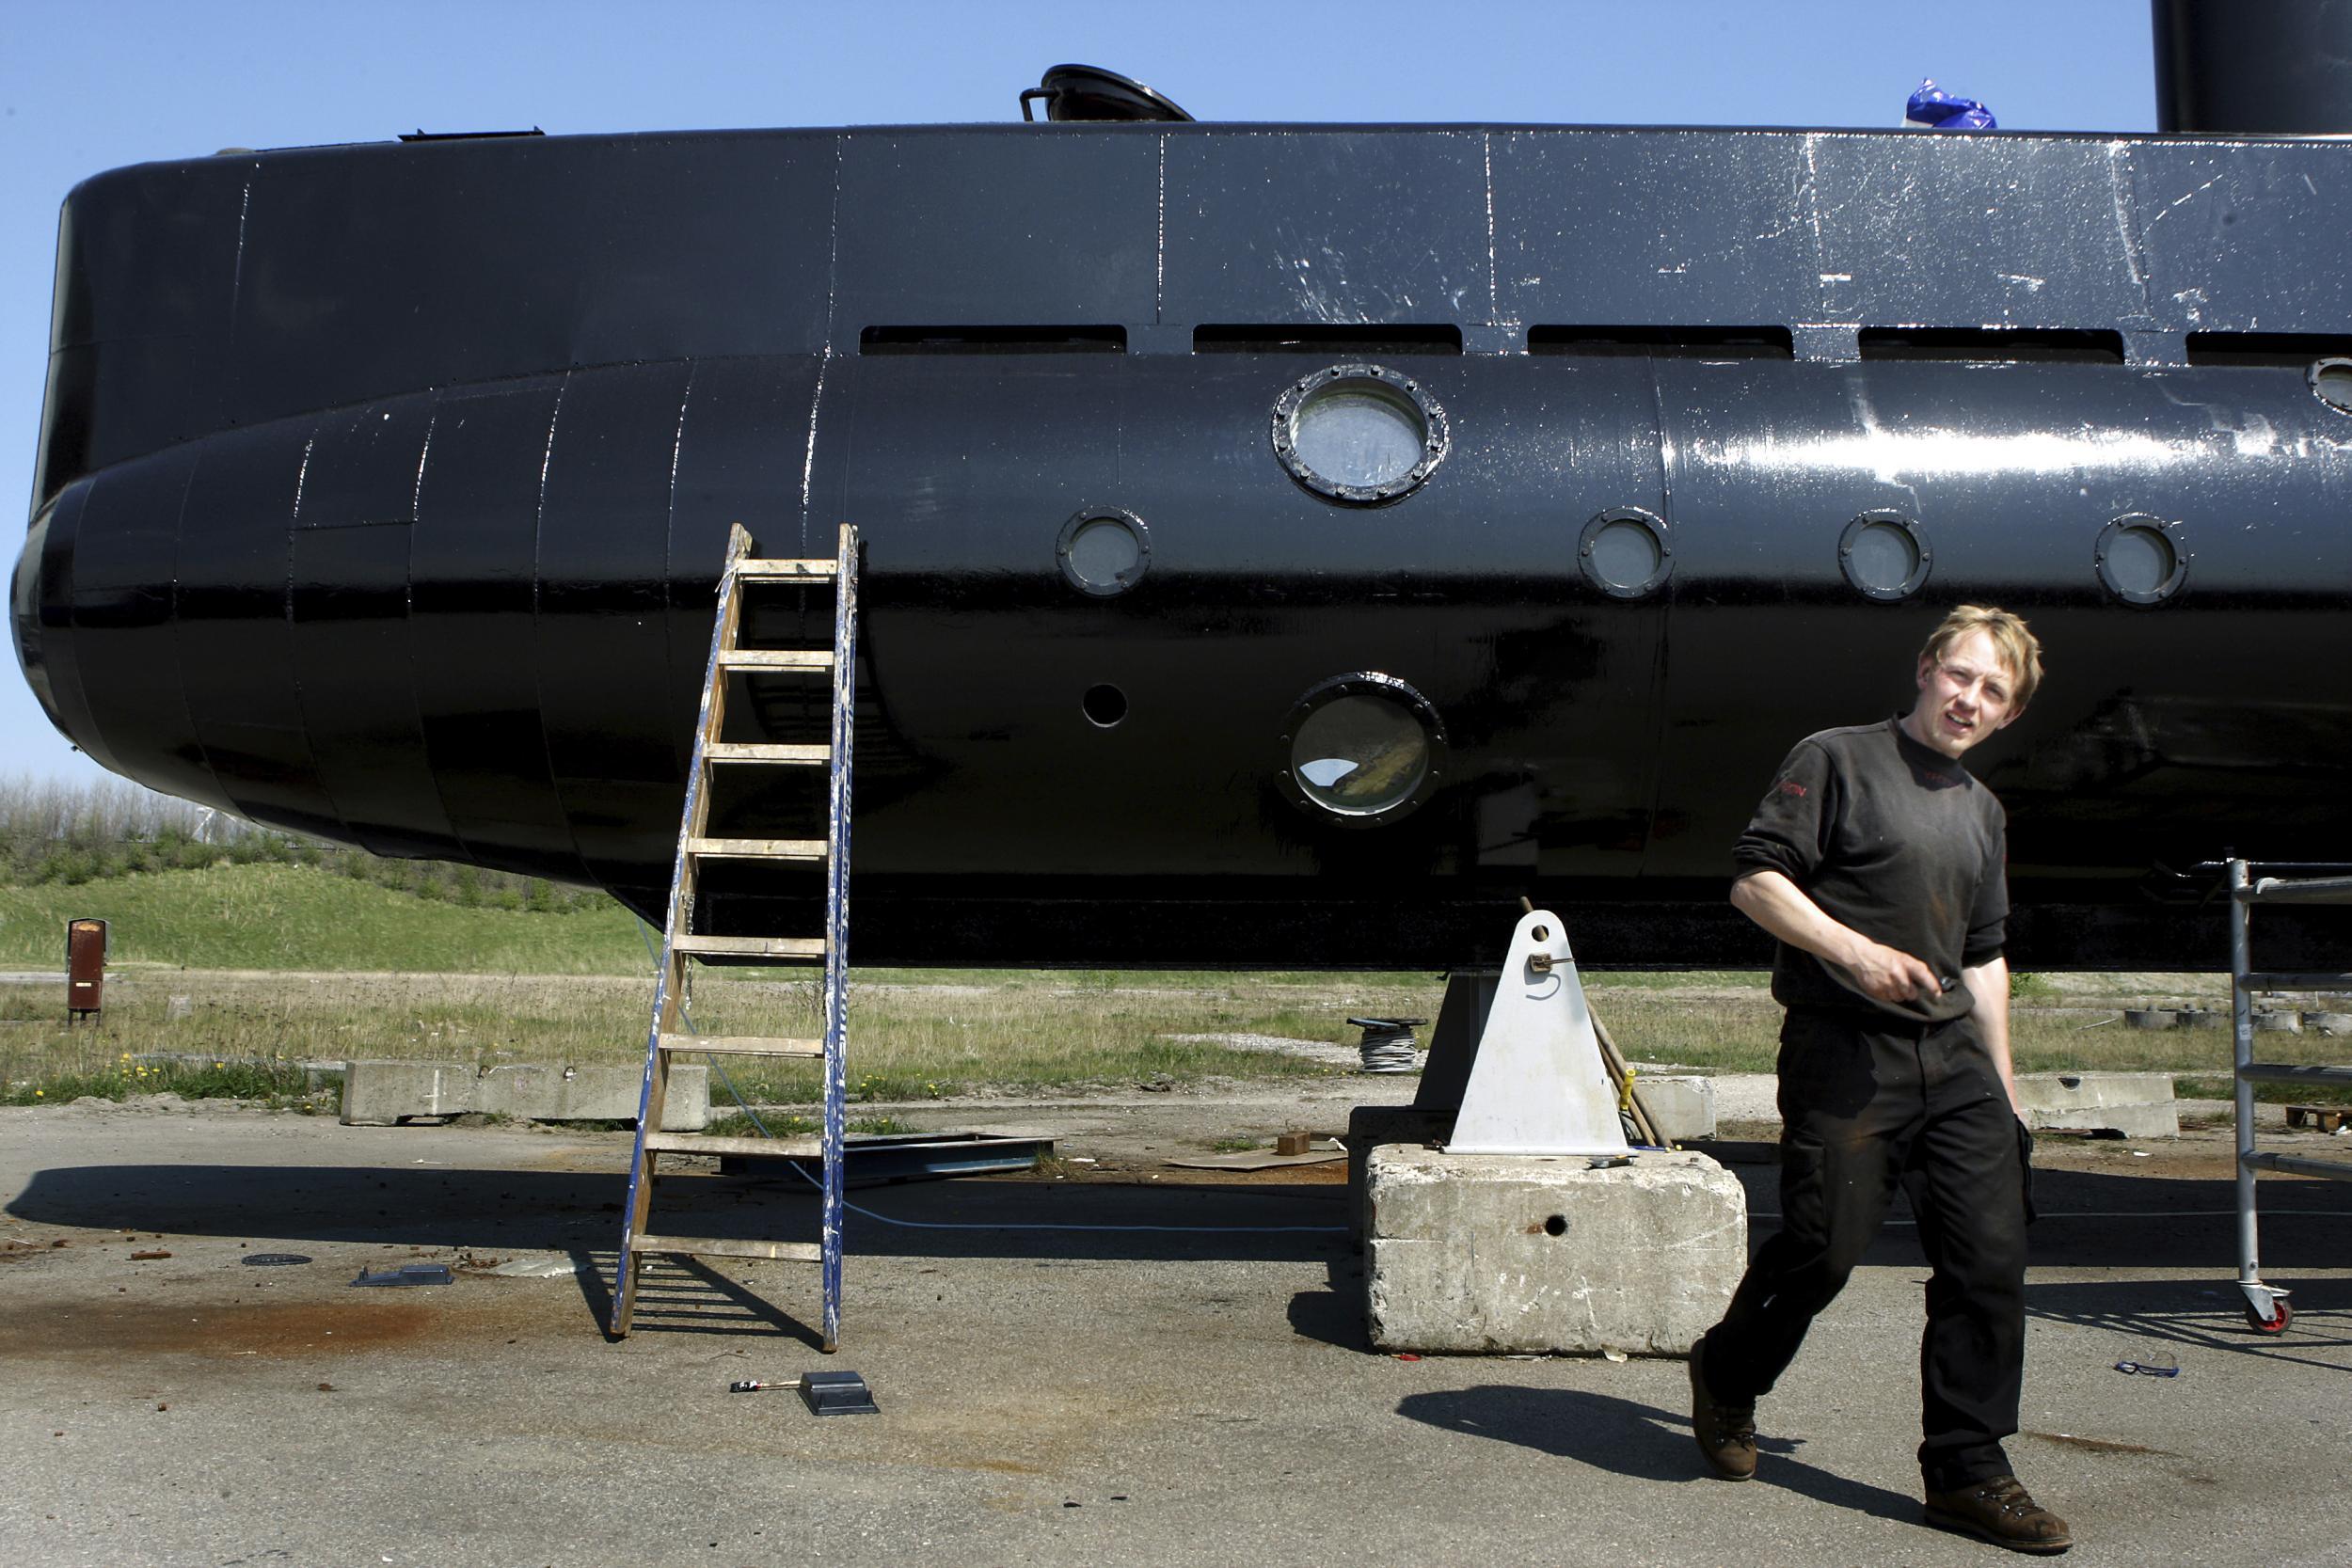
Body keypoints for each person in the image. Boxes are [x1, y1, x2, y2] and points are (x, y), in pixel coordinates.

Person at [1688, 605, 2071, 1556]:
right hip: (1843, 1048)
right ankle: (1726, 1371)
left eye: (1993, 691)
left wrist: (2007, 1088)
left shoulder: (1982, 811)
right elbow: (1755, 881)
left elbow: (1982, 957)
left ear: (2007, 714)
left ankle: (1968, 1468)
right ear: (1925, 668)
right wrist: (1853, 952)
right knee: (1822, 1250)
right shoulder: (1835, 758)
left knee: (1989, 1261)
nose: (1969, 698)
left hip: (1953, 1063)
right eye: (1961, 675)